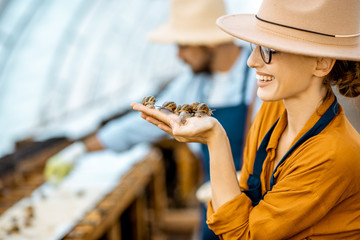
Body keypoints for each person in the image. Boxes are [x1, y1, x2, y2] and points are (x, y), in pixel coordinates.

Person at [131, 0, 360, 239]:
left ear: (321, 63)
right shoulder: (272, 112)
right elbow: (244, 195)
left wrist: (215, 138)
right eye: (255, 45)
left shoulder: (332, 154)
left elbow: (244, 236)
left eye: (270, 50)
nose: (252, 61)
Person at [44, 0, 258, 239]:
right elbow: (137, 127)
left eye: (182, 45)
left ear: (207, 42)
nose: (179, 55)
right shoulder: (194, 84)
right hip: (211, 202)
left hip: (253, 208)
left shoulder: (259, 78)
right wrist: (80, 149)